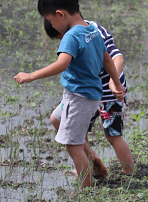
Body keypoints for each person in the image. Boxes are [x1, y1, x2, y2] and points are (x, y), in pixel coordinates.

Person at [14, 0, 126, 189]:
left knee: (73, 145)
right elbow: (107, 59)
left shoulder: (71, 36)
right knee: (56, 118)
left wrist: (31, 75)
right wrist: (117, 85)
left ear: (60, 14)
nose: (51, 25)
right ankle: (92, 166)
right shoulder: (92, 29)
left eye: (50, 20)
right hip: (87, 94)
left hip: (79, 97)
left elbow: (62, 64)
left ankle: (86, 188)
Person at [44, 18, 134, 177]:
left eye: (62, 36)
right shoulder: (73, 34)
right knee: (64, 123)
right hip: (86, 93)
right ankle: (92, 162)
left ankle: (130, 174)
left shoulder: (93, 31)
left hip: (108, 92)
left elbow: (117, 57)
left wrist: (114, 82)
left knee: (113, 136)